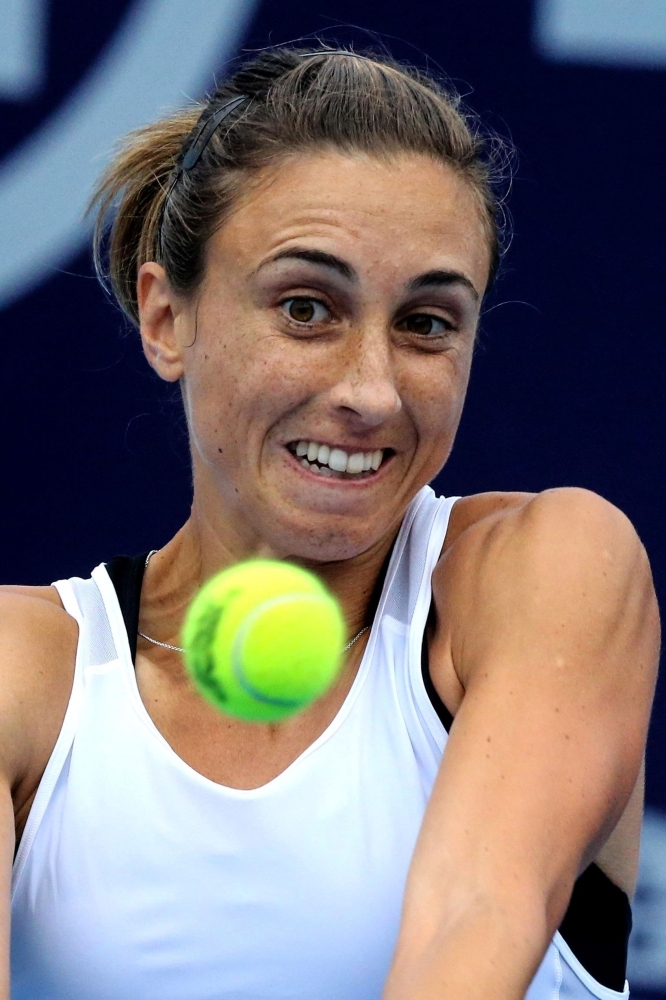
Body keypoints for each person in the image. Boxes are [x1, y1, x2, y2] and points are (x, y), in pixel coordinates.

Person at [1, 46, 658, 1000]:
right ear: (166, 319)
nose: (371, 391)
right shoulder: (21, 674)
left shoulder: (549, 570)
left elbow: (475, 918)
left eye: (428, 323)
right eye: (307, 308)